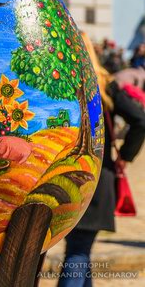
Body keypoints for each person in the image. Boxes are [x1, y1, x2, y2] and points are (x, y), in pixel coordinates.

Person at [58, 33, 145, 287]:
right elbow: (140, 121)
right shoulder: (106, 84)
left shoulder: (60, 84)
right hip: (97, 177)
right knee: (79, 251)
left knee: (77, 251)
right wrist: (125, 158)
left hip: (62, 175)